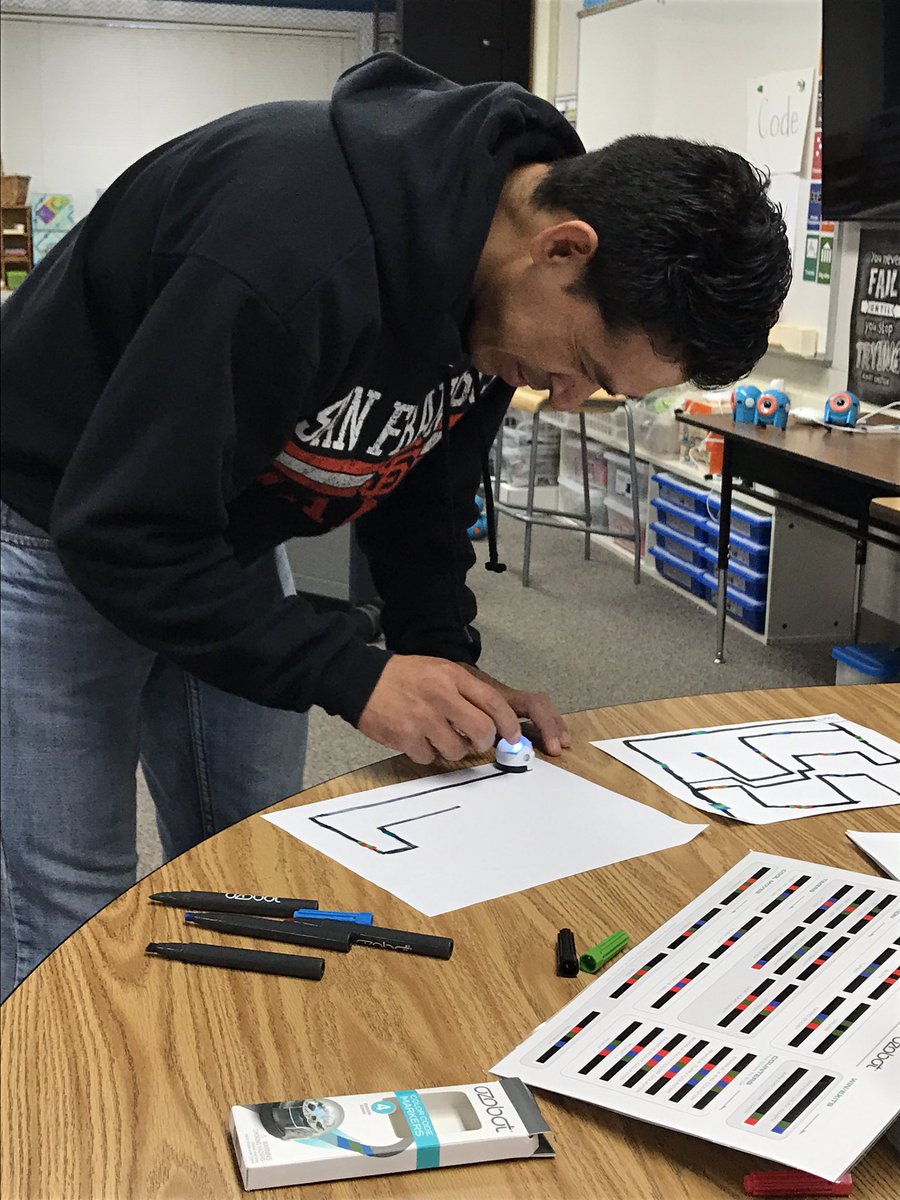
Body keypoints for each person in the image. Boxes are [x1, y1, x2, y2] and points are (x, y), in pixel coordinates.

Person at [0, 53, 791, 999]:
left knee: (250, 851)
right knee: (74, 903)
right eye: (583, 363)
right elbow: (118, 527)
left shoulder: (500, 290)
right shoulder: (290, 247)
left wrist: (442, 656)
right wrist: (352, 673)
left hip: (220, 530)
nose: (564, 393)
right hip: (53, 525)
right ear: (563, 248)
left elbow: (424, 476)